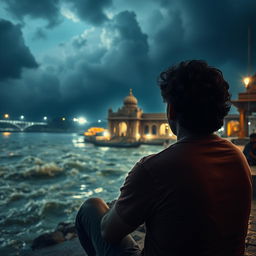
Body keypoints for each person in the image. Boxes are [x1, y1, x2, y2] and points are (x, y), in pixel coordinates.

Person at [76, 60, 252, 256]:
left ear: (171, 111)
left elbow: (108, 233)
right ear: (220, 112)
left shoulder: (154, 168)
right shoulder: (238, 157)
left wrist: (127, 195)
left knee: (91, 207)